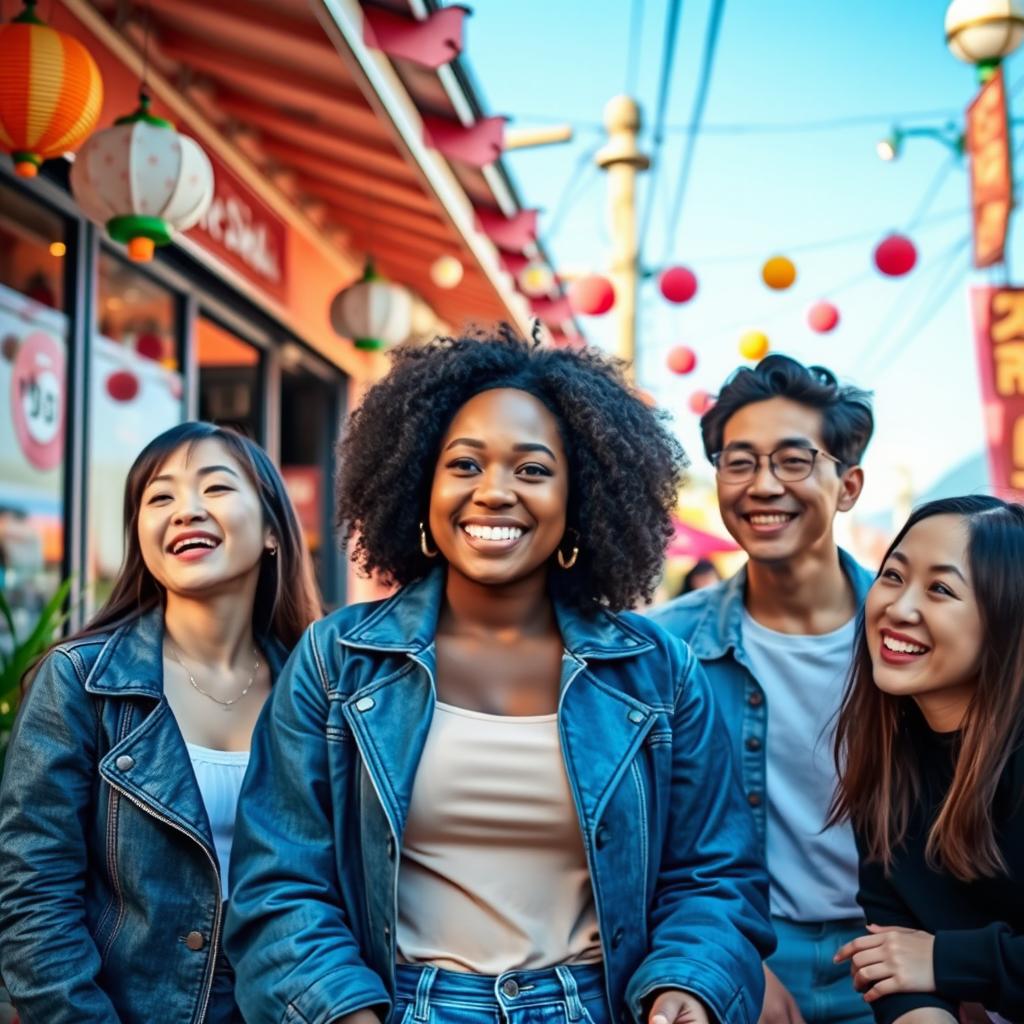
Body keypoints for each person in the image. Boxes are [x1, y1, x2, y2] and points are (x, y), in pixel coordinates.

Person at [225, 327, 774, 1024]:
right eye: (464, 465)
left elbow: (715, 876)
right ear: (419, 481)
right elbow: (279, 882)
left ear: (582, 497)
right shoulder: (336, 662)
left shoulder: (659, 673)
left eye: (533, 470)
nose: (493, 492)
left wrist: (688, 985)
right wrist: (340, 1012)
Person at [0, 421, 321, 1024]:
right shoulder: (81, 681)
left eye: (216, 488)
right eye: (160, 497)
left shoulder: (318, 693)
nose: (186, 511)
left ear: (273, 529)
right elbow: (32, 899)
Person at [650, 354, 875, 1024]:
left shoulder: (912, 636)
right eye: (739, 461)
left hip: (895, 951)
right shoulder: (668, 648)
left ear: (848, 485)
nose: (763, 485)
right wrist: (731, 958)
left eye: (794, 461)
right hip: (742, 950)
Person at [830, 496, 1024, 1024]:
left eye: (940, 589)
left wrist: (948, 961)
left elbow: (922, 959)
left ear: (1006, 618)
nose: (899, 607)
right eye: (892, 576)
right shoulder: (889, 760)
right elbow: (892, 951)